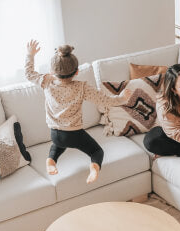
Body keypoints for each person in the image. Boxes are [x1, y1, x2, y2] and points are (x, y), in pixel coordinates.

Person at [25, 40, 131, 183]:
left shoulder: (46, 81)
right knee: (97, 152)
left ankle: (51, 161)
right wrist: (121, 98)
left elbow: (29, 73)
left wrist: (30, 55)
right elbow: (105, 100)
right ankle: (94, 168)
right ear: (76, 72)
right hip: (74, 134)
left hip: (55, 133)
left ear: (52, 71)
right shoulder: (82, 88)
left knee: (57, 146)